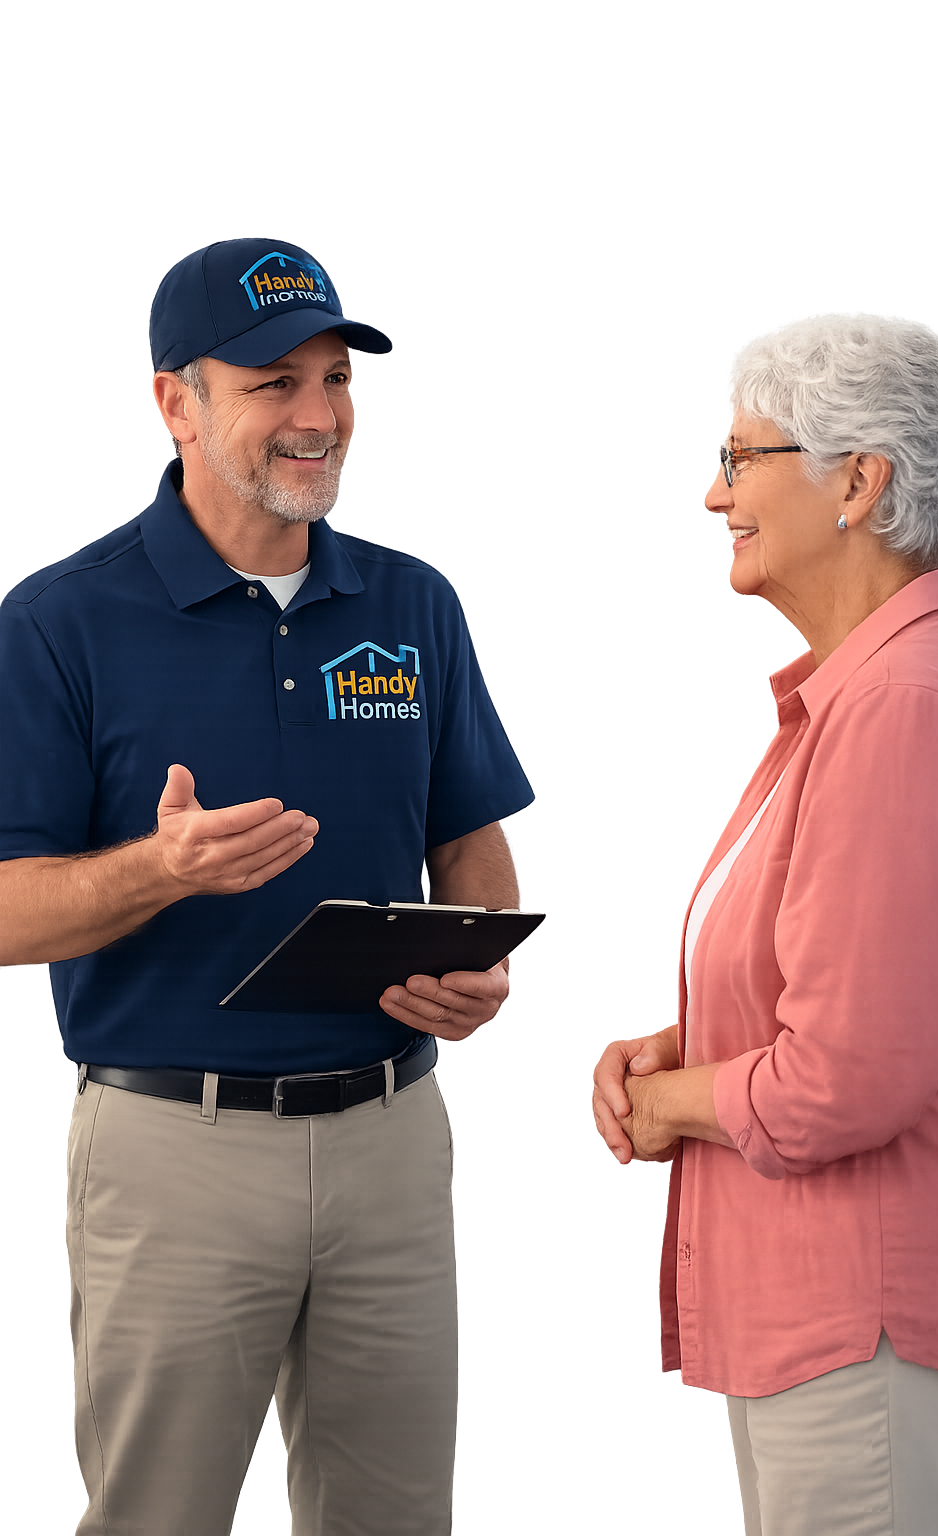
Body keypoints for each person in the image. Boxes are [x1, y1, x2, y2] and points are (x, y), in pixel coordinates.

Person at [0, 237, 533, 1536]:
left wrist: (481, 964)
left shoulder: (418, 608)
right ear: (173, 401)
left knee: (395, 1512)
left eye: (337, 378)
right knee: (161, 1512)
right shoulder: (58, 626)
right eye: (271, 381)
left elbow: (470, 844)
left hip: (392, 1139)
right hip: (174, 1148)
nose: (318, 416)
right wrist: (158, 870)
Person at [593, 315, 938, 1536]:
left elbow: (848, 1078)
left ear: (860, 481)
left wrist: (670, 1105)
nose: (709, 494)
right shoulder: (883, 695)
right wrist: (688, 1058)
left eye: (739, 459)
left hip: (870, 1337)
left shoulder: (907, 709)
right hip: (852, 1334)